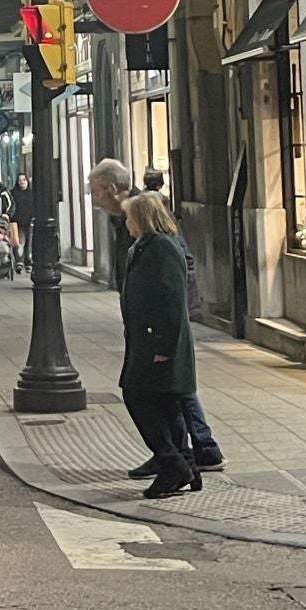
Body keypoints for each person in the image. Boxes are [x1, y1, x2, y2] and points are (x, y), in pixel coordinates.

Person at [90, 158, 226, 476]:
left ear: (112, 188)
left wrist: (173, 320)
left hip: (164, 321)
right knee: (165, 390)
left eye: (96, 192)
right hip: (148, 322)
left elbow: (178, 260)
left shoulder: (145, 210)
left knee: (168, 388)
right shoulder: (122, 217)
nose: (93, 199)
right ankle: (176, 455)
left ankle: (196, 451)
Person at [119, 192, 201, 498]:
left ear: (141, 218)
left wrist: (163, 347)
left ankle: (171, 462)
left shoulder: (162, 247)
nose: (126, 222)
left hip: (159, 341)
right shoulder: (146, 246)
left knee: (138, 396)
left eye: (130, 216)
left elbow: (170, 300)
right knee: (166, 403)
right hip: (146, 339)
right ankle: (184, 462)